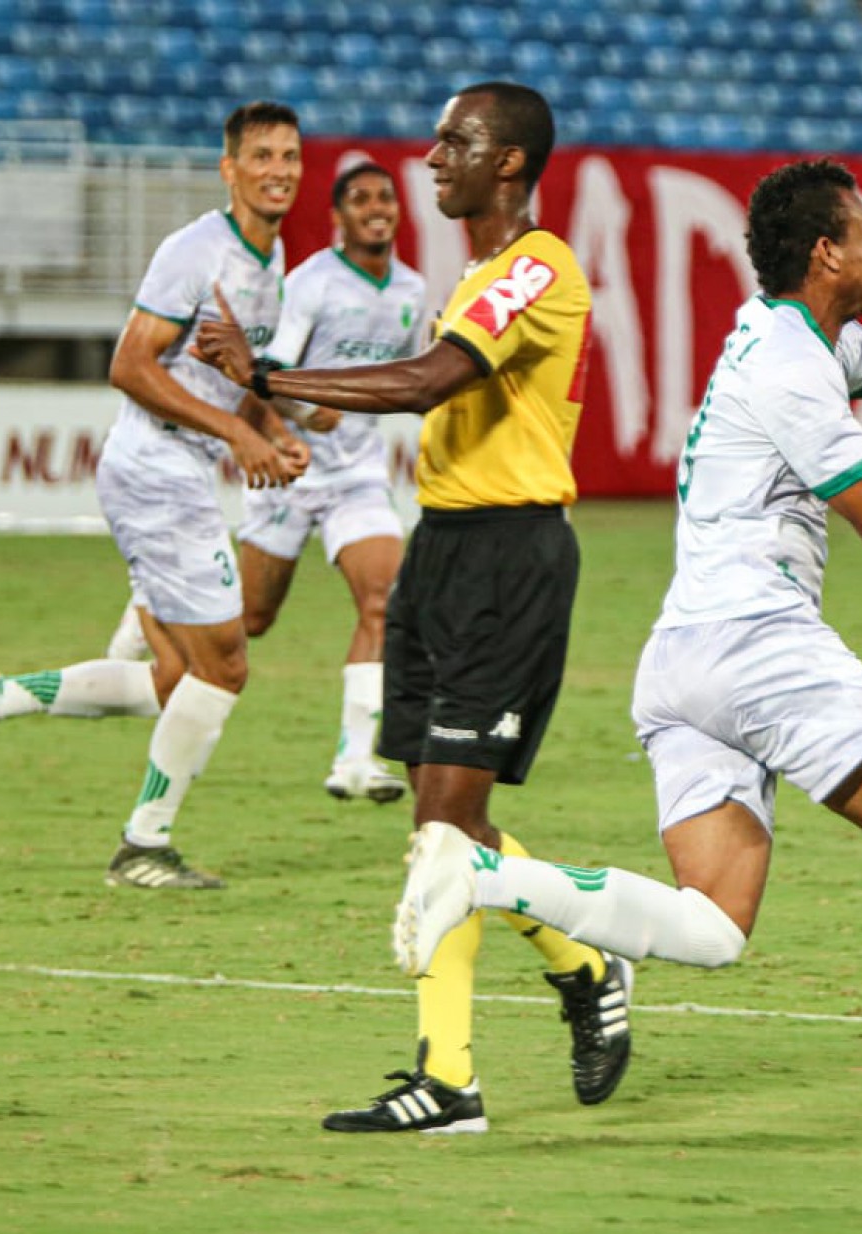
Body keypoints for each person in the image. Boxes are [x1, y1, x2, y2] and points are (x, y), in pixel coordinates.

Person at [394, 158, 862, 1171]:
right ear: (827, 252)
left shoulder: (793, 337)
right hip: (759, 642)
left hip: (682, 660)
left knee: (712, 925)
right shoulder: (793, 369)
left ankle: (483, 873)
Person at [193, 82, 631, 1134]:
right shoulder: (476, 275)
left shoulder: (536, 265)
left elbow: (433, 380)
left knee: (444, 827)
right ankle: (576, 970)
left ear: (510, 162)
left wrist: (273, 375)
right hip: (443, 546)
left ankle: (455, 1074)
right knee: (447, 824)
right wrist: (276, 396)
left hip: (509, 558)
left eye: (455, 141)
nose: (433, 158)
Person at [0, 101, 310, 891]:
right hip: (158, 470)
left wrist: (270, 430)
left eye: (290, 156)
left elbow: (229, 382)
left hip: (175, 469)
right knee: (226, 666)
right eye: (262, 156)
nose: (279, 170)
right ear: (229, 168)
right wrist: (236, 437)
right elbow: (130, 367)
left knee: (175, 679)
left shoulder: (272, 261)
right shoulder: (194, 251)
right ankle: (143, 844)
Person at [106, 161, 422, 804]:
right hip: (290, 471)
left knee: (385, 602)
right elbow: (260, 375)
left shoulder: (414, 292)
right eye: (361, 198)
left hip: (357, 475)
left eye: (386, 197)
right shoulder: (310, 284)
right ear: (338, 217)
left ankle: (354, 760)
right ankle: (151, 605)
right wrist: (301, 416)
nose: (376, 208)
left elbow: (412, 380)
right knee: (249, 619)